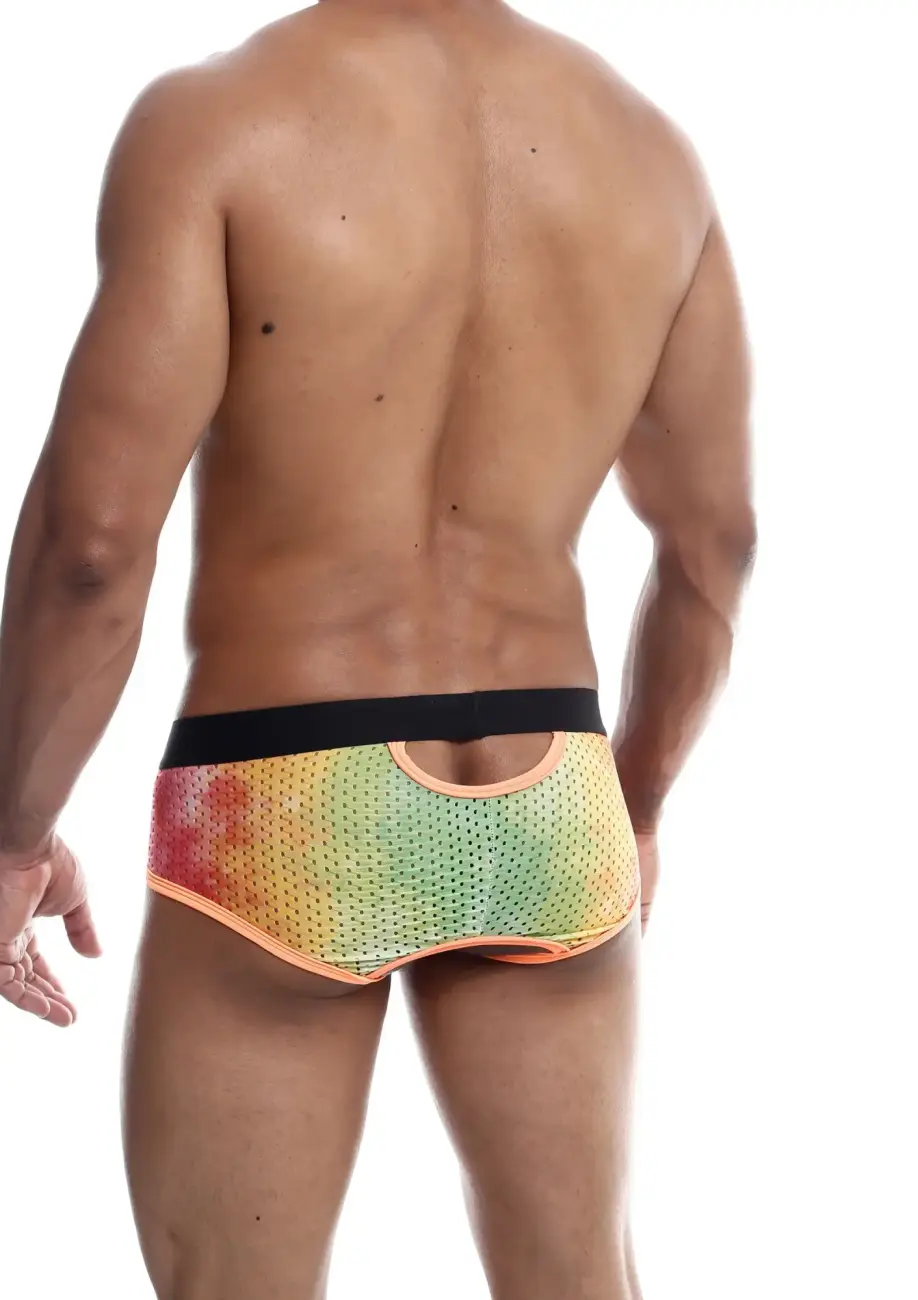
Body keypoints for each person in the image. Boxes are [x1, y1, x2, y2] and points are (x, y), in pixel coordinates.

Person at [0, 0, 755, 1296]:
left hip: (284, 792)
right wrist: (634, 806)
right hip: (551, 788)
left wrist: (16, 831)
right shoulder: (648, 153)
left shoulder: (216, 122)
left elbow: (92, 545)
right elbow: (714, 547)